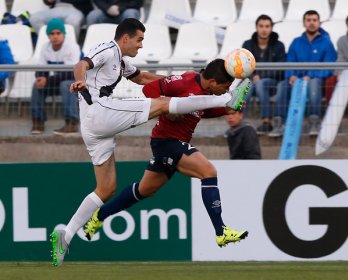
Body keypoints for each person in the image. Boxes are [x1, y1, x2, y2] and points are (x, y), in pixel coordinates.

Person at [50, 18, 250, 267]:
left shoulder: (122, 61)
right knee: (165, 104)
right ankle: (226, 100)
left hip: (94, 129)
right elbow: (81, 64)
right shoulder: (108, 48)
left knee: (106, 189)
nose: (141, 46)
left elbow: (142, 78)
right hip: (98, 110)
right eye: (139, 40)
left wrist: (172, 81)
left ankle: (65, 235)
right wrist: (80, 80)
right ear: (126, 38)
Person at [82, 59, 249, 252]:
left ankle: (99, 216)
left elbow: (201, 111)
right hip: (167, 142)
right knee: (208, 172)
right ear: (212, 82)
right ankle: (221, 232)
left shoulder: (208, 92)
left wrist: (226, 109)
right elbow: (148, 90)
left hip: (170, 143)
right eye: (225, 86)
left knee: (144, 190)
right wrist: (166, 109)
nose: (227, 90)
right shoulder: (183, 82)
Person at [269, 10, 337, 137]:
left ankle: (314, 122)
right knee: (282, 85)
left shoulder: (327, 43)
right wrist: (291, 76)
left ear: (319, 23)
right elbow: (290, 62)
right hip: (297, 81)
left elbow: (329, 67)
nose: (311, 23)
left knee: (314, 83)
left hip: (317, 81)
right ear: (304, 23)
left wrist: (310, 75)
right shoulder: (296, 42)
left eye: (314, 20)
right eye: (308, 20)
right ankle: (279, 123)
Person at [31, 18, 81, 135]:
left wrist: (47, 79)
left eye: (58, 33)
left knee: (66, 85)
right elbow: (41, 67)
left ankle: (72, 123)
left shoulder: (72, 47)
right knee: (36, 85)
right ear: (48, 35)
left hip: (78, 82)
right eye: (52, 34)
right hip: (57, 82)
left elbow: (71, 73)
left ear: (63, 34)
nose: (55, 36)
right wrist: (40, 78)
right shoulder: (45, 48)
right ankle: (37, 121)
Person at [241, 14, 286, 135]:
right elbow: (243, 65)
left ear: (271, 28)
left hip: (272, 82)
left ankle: (266, 121)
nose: (264, 29)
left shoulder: (279, 45)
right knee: (246, 85)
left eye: (267, 26)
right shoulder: (247, 45)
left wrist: (260, 76)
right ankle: (239, 121)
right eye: (261, 26)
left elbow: (280, 69)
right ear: (256, 27)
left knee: (260, 83)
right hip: (252, 81)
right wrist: (252, 76)